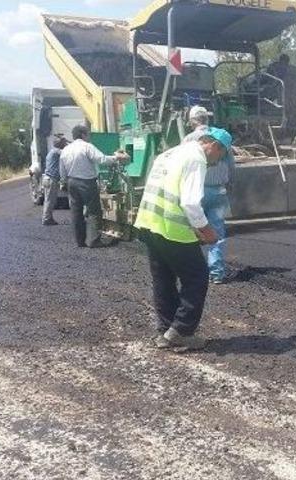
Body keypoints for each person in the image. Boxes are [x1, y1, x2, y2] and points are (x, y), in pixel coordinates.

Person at [135, 127, 233, 351]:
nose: (218, 161)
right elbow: (190, 203)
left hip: (150, 223)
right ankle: (182, 331)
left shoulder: (171, 153)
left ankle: (166, 330)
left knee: (163, 279)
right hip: (172, 229)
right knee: (197, 277)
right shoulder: (196, 159)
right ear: (214, 146)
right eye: (221, 155)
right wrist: (206, 231)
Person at [182, 106, 235, 284]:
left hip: (196, 191)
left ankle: (191, 271)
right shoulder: (221, 138)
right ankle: (217, 273)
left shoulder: (189, 139)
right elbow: (231, 165)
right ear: (207, 118)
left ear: (192, 121)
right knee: (217, 232)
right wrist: (231, 183)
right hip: (219, 191)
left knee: (192, 231)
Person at [59, 124, 130, 248]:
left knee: (76, 212)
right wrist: (117, 157)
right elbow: (101, 159)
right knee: (94, 211)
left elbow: (62, 170)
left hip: (72, 182)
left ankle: (80, 241)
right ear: (83, 135)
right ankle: (93, 240)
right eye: (88, 134)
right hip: (86, 182)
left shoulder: (66, 150)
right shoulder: (87, 147)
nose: (89, 137)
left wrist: (64, 182)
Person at [41, 136, 68, 226]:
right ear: (59, 144)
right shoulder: (57, 152)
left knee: (48, 200)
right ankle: (46, 219)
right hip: (51, 179)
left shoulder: (52, 151)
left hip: (47, 178)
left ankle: (48, 217)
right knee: (50, 200)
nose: (65, 144)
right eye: (63, 143)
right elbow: (67, 153)